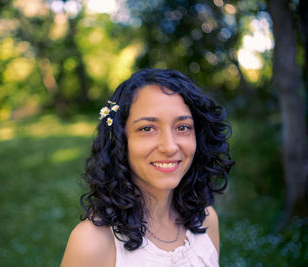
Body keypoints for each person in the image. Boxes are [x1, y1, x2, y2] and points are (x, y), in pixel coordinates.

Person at [61, 68, 234, 267]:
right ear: (120, 140)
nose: (169, 147)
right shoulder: (91, 243)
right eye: (147, 129)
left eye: (182, 127)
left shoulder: (206, 220)